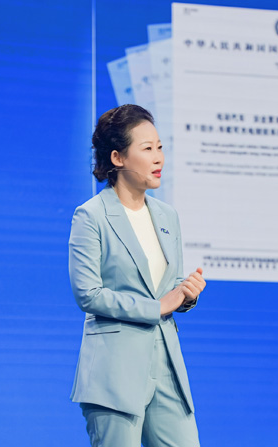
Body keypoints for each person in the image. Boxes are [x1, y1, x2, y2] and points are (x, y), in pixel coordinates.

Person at [68, 104, 206, 446]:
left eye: (160, 147)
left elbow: (169, 287)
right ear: (117, 158)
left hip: (167, 364)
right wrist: (156, 307)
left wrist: (185, 294)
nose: (158, 158)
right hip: (115, 370)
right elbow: (88, 294)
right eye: (147, 149)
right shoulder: (91, 216)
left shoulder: (167, 215)